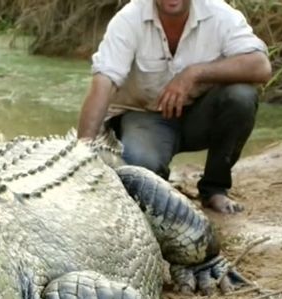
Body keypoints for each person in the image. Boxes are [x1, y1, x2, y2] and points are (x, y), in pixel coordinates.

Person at [77, 0, 271, 213]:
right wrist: (82, 150)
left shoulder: (219, 13)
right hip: (144, 116)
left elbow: (260, 66)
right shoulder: (129, 19)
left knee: (241, 97)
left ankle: (215, 188)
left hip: (198, 115)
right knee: (141, 172)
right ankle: (162, 184)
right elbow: (104, 82)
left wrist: (193, 74)